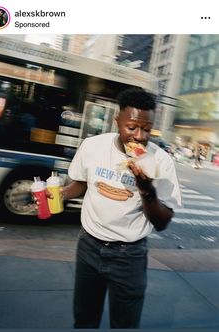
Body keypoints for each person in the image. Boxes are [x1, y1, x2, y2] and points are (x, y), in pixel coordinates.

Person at [60, 87, 182, 328]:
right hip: (89, 246)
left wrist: (146, 190)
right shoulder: (92, 146)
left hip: (130, 255)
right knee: (84, 319)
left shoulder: (160, 162)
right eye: (132, 127)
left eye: (146, 129)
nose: (139, 136)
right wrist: (58, 194)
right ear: (117, 121)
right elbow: (81, 184)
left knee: (125, 324)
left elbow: (162, 221)